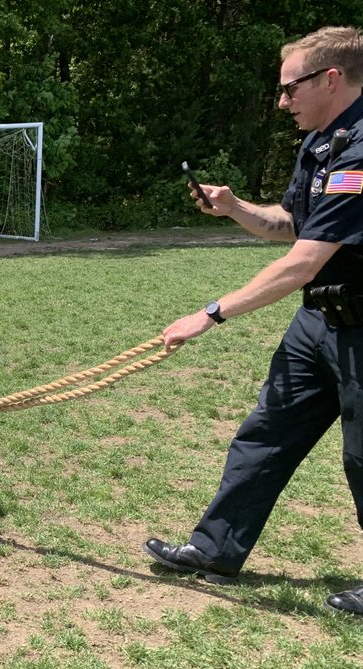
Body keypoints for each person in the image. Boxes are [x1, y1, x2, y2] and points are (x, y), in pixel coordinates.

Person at [142, 26, 363, 615]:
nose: (283, 100)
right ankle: (215, 550)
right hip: (319, 322)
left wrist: (210, 314)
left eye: (291, 87)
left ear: (331, 79)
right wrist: (235, 207)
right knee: (264, 435)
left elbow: (303, 261)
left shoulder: (362, 152)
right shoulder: (320, 143)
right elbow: (293, 223)